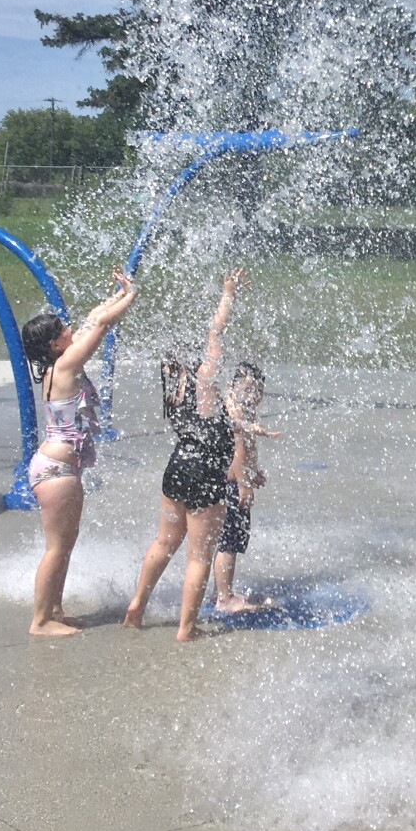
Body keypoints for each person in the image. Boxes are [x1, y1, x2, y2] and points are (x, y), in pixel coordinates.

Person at [122, 269, 251, 642]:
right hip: (205, 472)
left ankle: (137, 605)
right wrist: (227, 294)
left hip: (177, 465)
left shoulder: (173, 394)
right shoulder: (205, 380)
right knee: (199, 557)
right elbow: (216, 331)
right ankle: (186, 628)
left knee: (164, 541)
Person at [19, 269, 137, 637]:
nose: (71, 330)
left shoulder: (59, 364)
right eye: (63, 330)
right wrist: (130, 295)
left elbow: (91, 320)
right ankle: (39, 621)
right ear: (55, 344)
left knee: (65, 542)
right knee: (56, 547)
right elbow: (100, 327)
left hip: (58, 468)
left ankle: (54, 609)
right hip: (55, 470)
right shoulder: (67, 364)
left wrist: (117, 294)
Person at [212, 360, 281, 613]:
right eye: (247, 389)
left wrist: (254, 471)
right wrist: (245, 485)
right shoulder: (235, 411)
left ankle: (219, 591)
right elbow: (239, 447)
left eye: (257, 391)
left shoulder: (241, 410)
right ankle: (224, 598)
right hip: (232, 485)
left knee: (226, 541)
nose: (252, 396)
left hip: (233, 480)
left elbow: (245, 452)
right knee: (228, 542)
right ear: (232, 387)